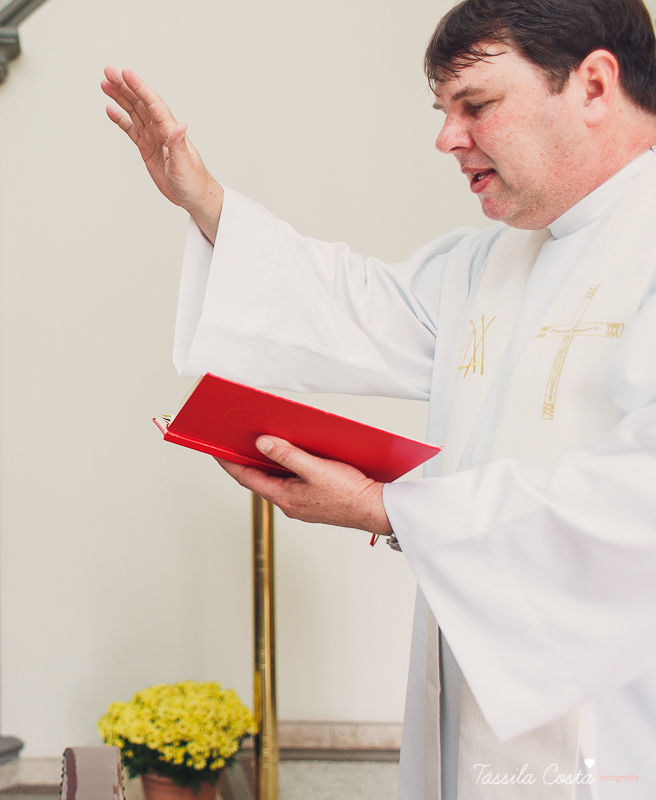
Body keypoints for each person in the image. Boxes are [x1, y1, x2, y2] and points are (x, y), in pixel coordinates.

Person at [103, 0, 656, 798]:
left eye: (477, 104)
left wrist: (387, 509)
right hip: (471, 716)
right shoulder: (491, 262)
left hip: (613, 729)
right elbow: (356, 305)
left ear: (595, 85)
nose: (447, 137)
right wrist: (206, 201)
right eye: (443, 111)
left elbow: (640, 499)